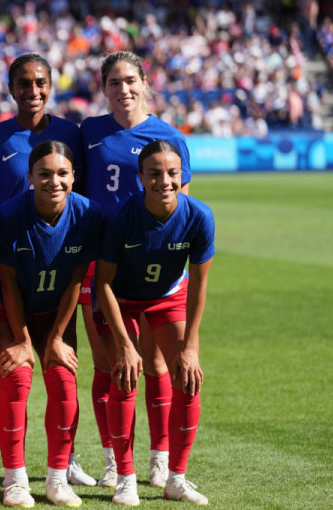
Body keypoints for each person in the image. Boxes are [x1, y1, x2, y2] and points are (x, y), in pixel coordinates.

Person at [0, 54, 97, 498]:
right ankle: (14, 477)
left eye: (41, 82)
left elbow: (78, 195)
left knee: (63, 370)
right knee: (18, 373)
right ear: (10, 88)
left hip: (57, 270)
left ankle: (62, 469)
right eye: (23, 83)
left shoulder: (72, 134)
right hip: (4, 272)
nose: (33, 90)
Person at [78, 51, 193, 490]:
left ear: (145, 82)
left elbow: (180, 205)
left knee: (157, 365)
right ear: (103, 87)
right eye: (113, 82)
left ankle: (160, 459)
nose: (123, 90)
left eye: (130, 80)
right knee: (109, 366)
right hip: (102, 267)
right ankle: (113, 461)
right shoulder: (89, 132)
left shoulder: (169, 136)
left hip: (154, 268)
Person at [93, 140, 213, 506]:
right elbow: (104, 284)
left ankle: (176, 477)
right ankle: (125, 479)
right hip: (121, 299)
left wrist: (190, 347)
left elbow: (199, 285)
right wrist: (126, 346)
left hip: (168, 296)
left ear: (183, 175)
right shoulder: (119, 217)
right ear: (141, 177)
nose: (165, 181)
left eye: (173, 173)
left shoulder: (199, 216)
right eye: (155, 174)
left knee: (188, 377)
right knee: (125, 374)